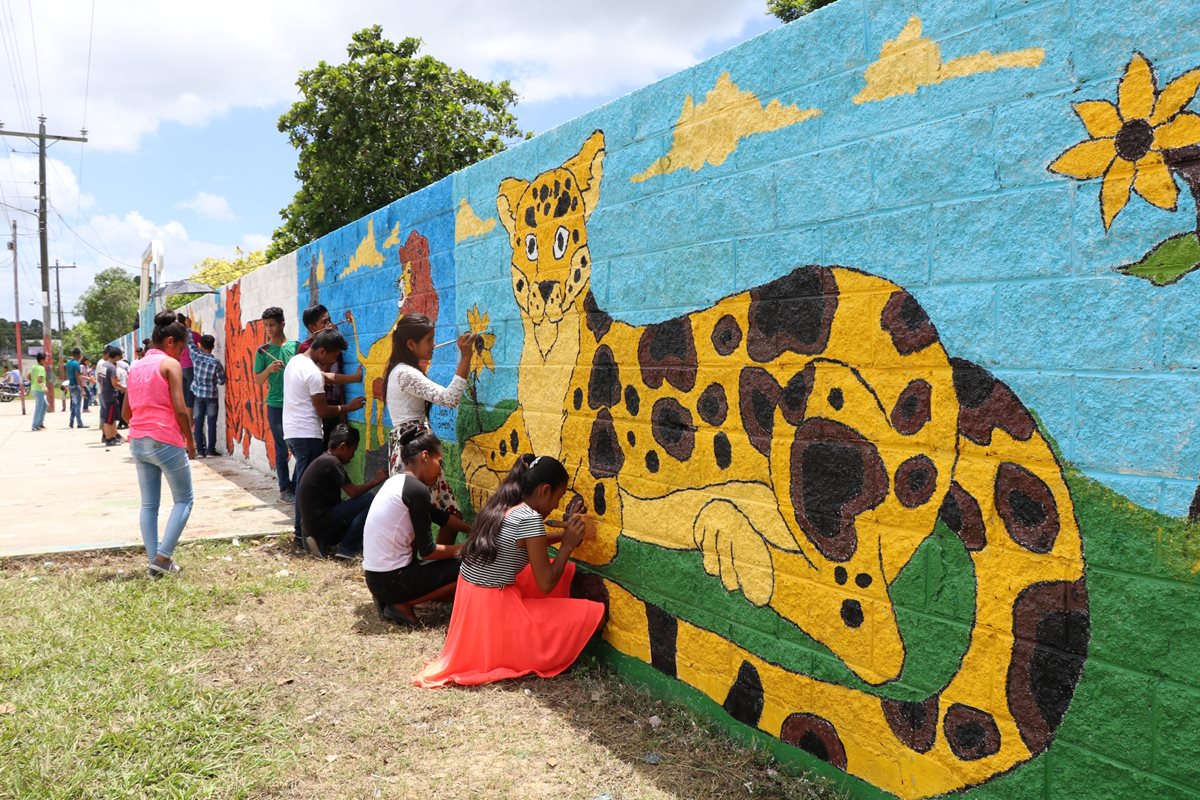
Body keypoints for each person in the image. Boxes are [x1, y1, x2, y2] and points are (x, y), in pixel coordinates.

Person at [414, 454, 605, 688]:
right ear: (545, 491)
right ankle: (513, 645)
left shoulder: (505, 505)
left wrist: (564, 537)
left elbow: (528, 542)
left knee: (566, 573)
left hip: (474, 601)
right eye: (559, 497)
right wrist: (567, 545)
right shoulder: (530, 519)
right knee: (594, 614)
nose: (557, 506)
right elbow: (545, 583)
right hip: (494, 611)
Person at [363, 427, 469, 625]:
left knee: (454, 571)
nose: (440, 470)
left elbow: (441, 517)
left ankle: (398, 600)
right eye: (440, 462)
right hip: (391, 581)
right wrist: (465, 549)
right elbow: (428, 551)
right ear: (425, 456)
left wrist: (473, 530)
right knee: (470, 568)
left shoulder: (397, 482)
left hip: (377, 579)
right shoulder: (416, 490)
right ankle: (404, 603)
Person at [383, 314, 476, 540]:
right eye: (429, 340)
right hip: (416, 455)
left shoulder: (398, 370)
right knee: (421, 519)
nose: (433, 345)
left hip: (413, 450)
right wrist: (465, 357)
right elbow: (450, 398)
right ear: (411, 344)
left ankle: (435, 566)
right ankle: (424, 568)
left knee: (444, 515)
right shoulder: (406, 373)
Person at [122, 311, 197, 578]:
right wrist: (190, 441)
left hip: (138, 442)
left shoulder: (135, 365)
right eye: (181, 347)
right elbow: (180, 409)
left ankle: (154, 561)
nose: (181, 353)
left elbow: (125, 414)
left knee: (149, 505)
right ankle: (163, 557)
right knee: (185, 500)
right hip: (165, 440)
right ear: (169, 342)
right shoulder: (169, 365)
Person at [283, 327, 365, 546]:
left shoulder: (297, 362)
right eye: (333, 356)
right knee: (305, 488)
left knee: (304, 484)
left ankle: (304, 533)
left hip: (293, 431)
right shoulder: (311, 372)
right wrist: (347, 407)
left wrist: (354, 378)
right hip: (307, 433)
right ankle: (303, 535)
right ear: (321, 352)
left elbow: (326, 377)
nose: (333, 360)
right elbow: (322, 410)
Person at [296, 423, 387, 559]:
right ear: (343, 446)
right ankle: (347, 548)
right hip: (320, 523)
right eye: (353, 450)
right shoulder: (332, 463)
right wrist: (375, 481)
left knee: (354, 507)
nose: (353, 456)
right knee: (368, 499)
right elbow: (353, 492)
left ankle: (322, 542)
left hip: (312, 523)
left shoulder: (324, 459)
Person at [298, 304, 363, 446]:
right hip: (320, 408)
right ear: (312, 328)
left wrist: (342, 408)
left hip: (335, 406)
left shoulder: (333, 346)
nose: (330, 324)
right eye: (324, 322)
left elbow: (336, 376)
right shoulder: (306, 349)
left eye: (329, 320)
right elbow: (322, 377)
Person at [253, 306, 299, 502]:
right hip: (275, 404)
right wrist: (269, 370)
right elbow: (257, 380)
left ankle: (296, 486)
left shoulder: (296, 347)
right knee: (282, 447)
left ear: (282, 324)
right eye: (266, 326)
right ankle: (284, 488)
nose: (269, 329)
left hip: (296, 404)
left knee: (299, 447)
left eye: (272, 325)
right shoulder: (263, 351)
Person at [189, 334, 227, 457]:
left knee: (198, 423)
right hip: (211, 395)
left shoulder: (196, 356)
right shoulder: (216, 363)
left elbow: (189, 343)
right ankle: (211, 450)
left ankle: (200, 451)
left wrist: (188, 328)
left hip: (198, 394)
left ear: (200, 345)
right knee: (211, 423)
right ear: (213, 346)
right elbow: (222, 381)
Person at [66, 348, 86, 429]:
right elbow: (78, 376)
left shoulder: (69, 363)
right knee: (78, 405)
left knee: (74, 404)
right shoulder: (76, 364)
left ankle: (71, 421)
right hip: (76, 385)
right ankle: (79, 423)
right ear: (79, 355)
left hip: (70, 384)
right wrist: (82, 388)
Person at [28, 352, 47, 431]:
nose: (46, 361)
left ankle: (40, 423)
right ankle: (35, 426)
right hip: (39, 390)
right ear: (42, 360)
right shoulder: (41, 368)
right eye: (45, 359)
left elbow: (28, 376)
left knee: (45, 405)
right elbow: (39, 380)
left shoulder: (33, 367)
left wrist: (33, 382)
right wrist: (44, 387)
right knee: (38, 408)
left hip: (34, 389)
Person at [113, 353, 130, 430]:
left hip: (120, 390)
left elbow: (117, 381)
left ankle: (121, 423)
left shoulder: (116, 371)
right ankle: (124, 423)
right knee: (123, 406)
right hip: (125, 388)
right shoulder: (123, 370)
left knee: (120, 408)